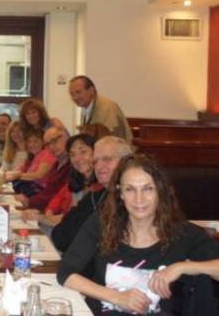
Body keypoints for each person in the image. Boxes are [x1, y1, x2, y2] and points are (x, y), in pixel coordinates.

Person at [58, 154, 219, 315]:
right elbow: (65, 273)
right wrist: (116, 297)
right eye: (130, 189)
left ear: (160, 191)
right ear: (120, 193)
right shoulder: (101, 224)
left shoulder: (183, 233)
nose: (139, 199)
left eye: (148, 188)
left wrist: (182, 267)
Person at [51, 135, 133, 253]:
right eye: (95, 161)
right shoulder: (95, 196)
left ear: (126, 161)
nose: (99, 166)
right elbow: (60, 236)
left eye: (107, 159)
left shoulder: (134, 201)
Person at [22, 133, 96, 228]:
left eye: (83, 152)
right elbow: (70, 216)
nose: (77, 159)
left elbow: (76, 222)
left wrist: (42, 217)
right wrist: (44, 214)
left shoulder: (101, 187)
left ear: (96, 153)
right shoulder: (77, 183)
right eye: (72, 154)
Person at [14, 127, 69, 210]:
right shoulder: (56, 164)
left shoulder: (72, 166)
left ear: (67, 139)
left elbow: (55, 197)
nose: (51, 146)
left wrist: (29, 203)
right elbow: (48, 192)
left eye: (54, 141)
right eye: (48, 144)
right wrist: (29, 202)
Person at [69, 75, 132, 141]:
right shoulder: (85, 108)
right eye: (72, 94)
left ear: (91, 90)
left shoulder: (107, 107)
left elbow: (108, 139)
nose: (75, 97)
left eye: (78, 92)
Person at [7, 128, 56, 197]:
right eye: (29, 142)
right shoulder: (34, 156)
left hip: (40, 193)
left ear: (43, 142)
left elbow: (39, 175)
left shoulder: (47, 154)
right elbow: (20, 170)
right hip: (30, 191)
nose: (32, 144)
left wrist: (19, 176)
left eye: (36, 141)